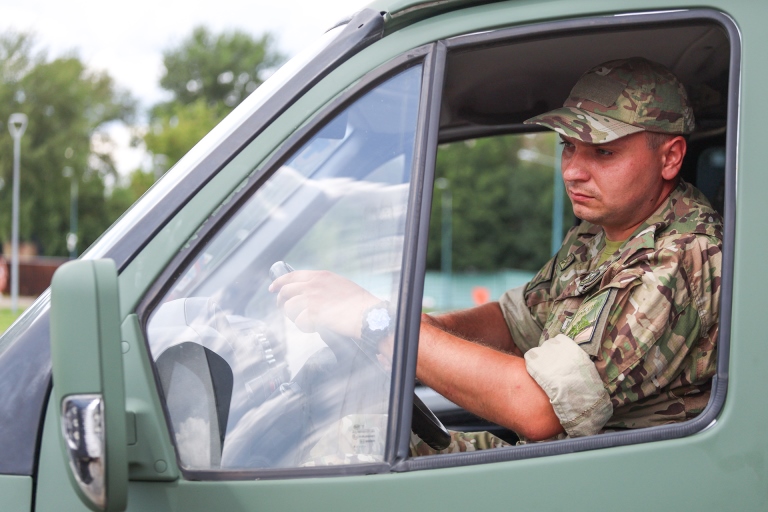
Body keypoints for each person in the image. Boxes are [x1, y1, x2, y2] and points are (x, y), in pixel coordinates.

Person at [270, 57, 723, 454]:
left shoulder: (677, 258)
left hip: (602, 480)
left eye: (602, 152)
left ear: (670, 158)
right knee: (354, 437)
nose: (572, 171)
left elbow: (538, 406)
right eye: (568, 147)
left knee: (341, 456)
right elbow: (514, 322)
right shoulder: (601, 231)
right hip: (563, 458)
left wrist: (378, 325)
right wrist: (418, 332)